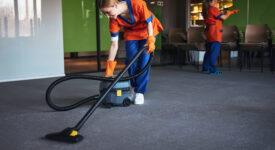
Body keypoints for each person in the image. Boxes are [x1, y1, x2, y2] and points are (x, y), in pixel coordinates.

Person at [99, 0, 163, 104]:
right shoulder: (114, 19)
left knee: (144, 62)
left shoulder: (138, 4)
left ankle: (139, 92)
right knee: (130, 61)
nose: (107, 16)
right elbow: (114, 44)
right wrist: (109, 68)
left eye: (108, 12)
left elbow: (149, 23)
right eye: (104, 13)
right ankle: (133, 86)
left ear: (115, 5)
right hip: (132, 34)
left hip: (148, 31)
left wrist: (151, 39)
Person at [202, 0, 239, 75]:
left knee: (209, 51)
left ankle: (205, 68)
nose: (216, 1)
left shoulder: (206, 10)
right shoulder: (213, 8)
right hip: (215, 33)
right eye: (214, 0)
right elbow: (224, 17)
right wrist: (229, 13)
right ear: (210, 2)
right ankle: (213, 70)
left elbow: (217, 16)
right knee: (214, 52)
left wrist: (227, 13)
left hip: (209, 32)